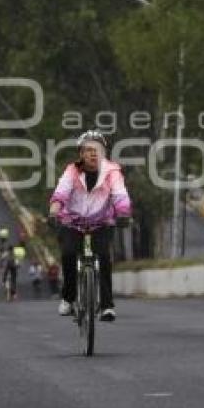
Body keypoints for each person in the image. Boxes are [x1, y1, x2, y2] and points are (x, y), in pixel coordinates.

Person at [49, 130, 132, 322]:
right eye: (88, 150)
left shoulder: (112, 172)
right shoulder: (72, 171)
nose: (93, 153)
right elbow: (60, 193)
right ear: (81, 154)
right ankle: (68, 299)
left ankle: (107, 306)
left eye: (98, 149)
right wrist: (54, 211)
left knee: (103, 256)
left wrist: (123, 214)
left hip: (101, 222)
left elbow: (120, 195)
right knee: (69, 253)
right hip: (72, 221)